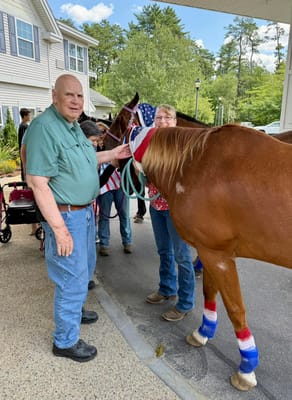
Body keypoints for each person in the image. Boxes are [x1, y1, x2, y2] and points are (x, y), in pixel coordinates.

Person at [22, 74, 131, 363]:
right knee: (71, 277)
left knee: (84, 268)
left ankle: (77, 310)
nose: (75, 101)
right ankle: (65, 341)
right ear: (54, 95)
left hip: (84, 213)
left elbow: (85, 160)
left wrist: (113, 153)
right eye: (69, 95)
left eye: (80, 96)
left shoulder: (71, 127)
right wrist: (59, 230)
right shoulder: (44, 129)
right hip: (66, 216)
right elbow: (38, 182)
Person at [145, 104, 195, 322]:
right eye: (159, 117)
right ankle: (166, 288)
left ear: (175, 122)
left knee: (182, 256)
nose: (162, 121)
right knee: (164, 251)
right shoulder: (152, 143)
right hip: (156, 206)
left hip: (176, 209)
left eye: (167, 117)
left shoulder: (183, 145)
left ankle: (185, 303)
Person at [97, 159, 132, 257]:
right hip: (104, 187)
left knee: (124, 215)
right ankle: (104, 243)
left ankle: (127, 241)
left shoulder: (122, 145)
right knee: (104, 216)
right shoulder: (99, 147)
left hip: (120, 185)